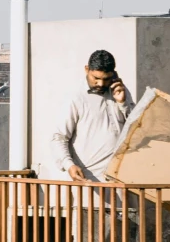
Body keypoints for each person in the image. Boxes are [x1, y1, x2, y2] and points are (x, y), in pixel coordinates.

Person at [52, 49, 133, 181]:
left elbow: (137, 127)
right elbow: (58, 137)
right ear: (86, 69)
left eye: (106, 79)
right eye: (96, 78)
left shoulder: (120, 90)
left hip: (122, 178)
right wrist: (69, 165)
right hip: (90, 180)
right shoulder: (76, 97)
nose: (101, 84)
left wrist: (123, 103)